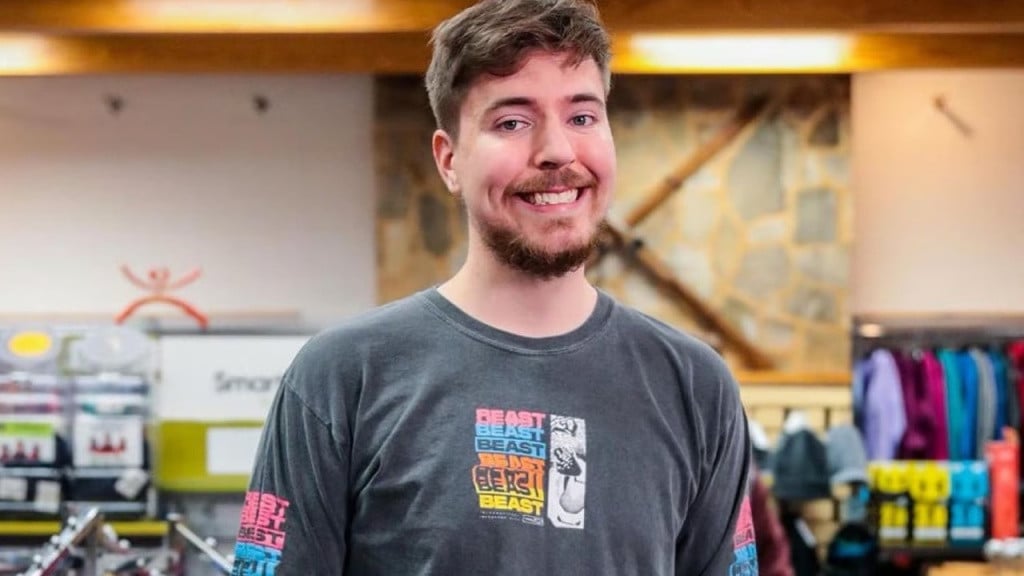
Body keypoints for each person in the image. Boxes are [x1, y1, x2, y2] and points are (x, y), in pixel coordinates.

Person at [230, 0, 756, 574]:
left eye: (583, 117)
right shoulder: (342, 376)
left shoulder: (695, 386)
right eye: (512, 122)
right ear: (449, 160)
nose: (558, 151)